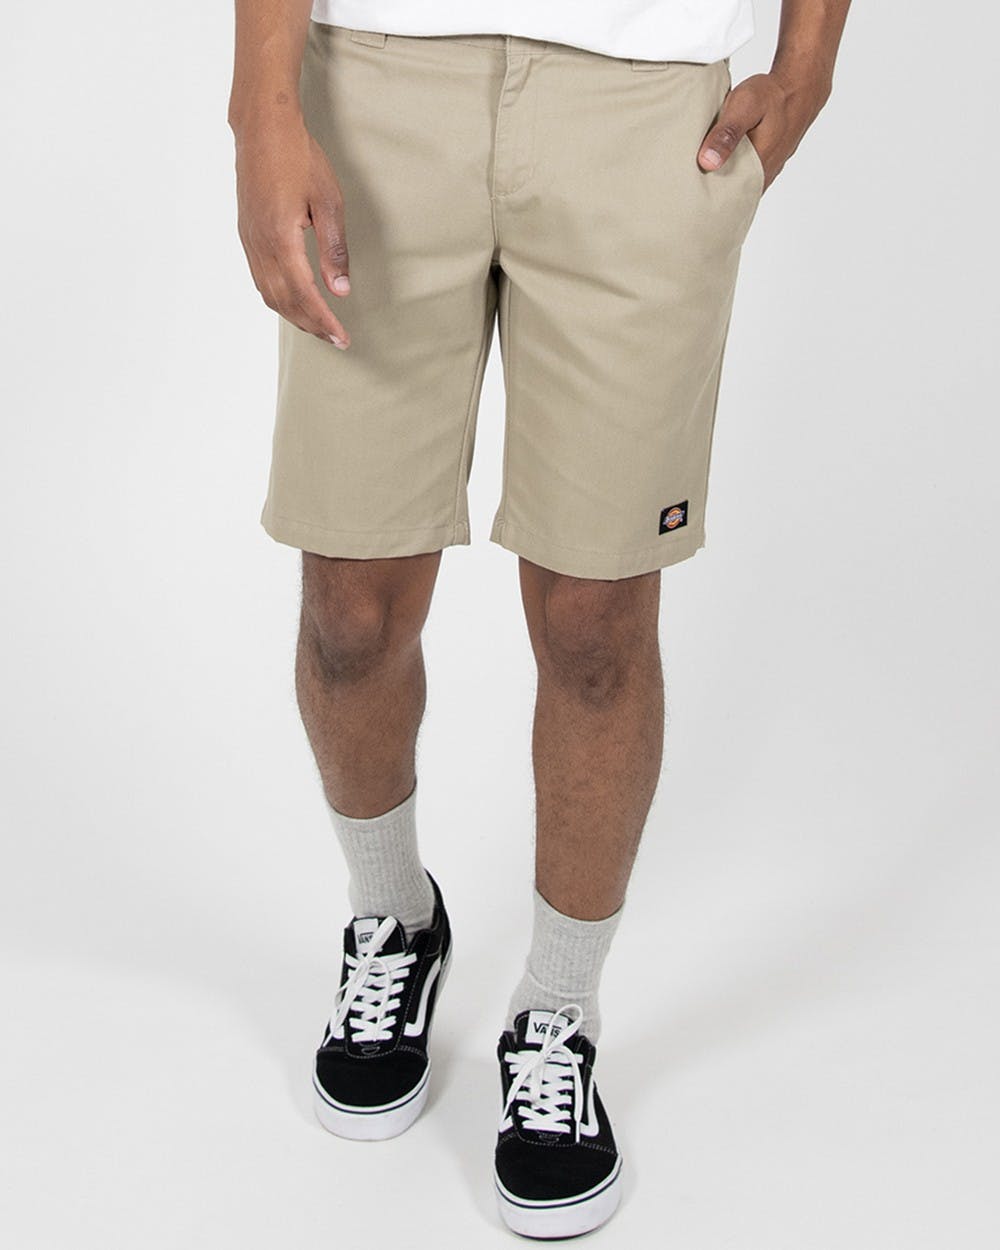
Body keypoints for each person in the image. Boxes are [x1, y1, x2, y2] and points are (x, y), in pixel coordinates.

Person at [229, 0, 851, 1237]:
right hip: (377, 79)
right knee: (350, 611)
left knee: (593, 623)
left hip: (644, 101)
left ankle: (558, 1009)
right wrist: (263, 105)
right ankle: (394, 917)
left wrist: (809, 62)